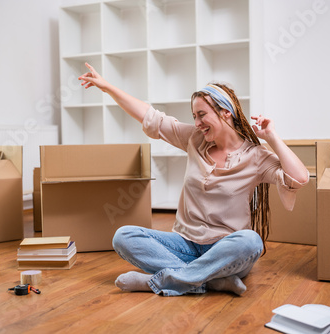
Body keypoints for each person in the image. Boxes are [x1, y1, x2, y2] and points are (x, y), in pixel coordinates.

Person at [79, 63, 309, 297]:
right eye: (194, 116)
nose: (197, 122)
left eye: (202, 115)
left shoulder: (256, 156)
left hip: (226, 251)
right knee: (124, 236)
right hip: (185, 245)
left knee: (251, 241)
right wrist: (107, 87)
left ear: (225, 113)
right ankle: (212, 281)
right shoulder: (195, 139)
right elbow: (150, 117)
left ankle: (161, 280)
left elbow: (299, 178)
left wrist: (272, 136)